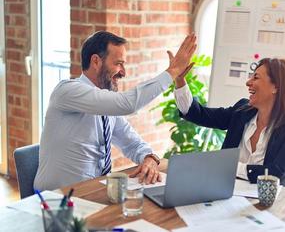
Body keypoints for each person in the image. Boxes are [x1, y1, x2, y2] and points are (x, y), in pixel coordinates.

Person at [34, 31, 196, 190]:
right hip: (56, 199)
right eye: (118, 63)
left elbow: (131, 142)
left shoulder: (105, 104)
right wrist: (173, 71)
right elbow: (127, 104)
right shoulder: (67, 91)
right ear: (96, 61)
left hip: (93, 191)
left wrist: (149, 157)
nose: (123, 72)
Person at [174, 58, 285, 188]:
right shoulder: (242, 111)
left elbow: (276, 174)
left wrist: (229, 166)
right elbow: (198, 114)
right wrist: (180, 80)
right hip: (225, 193)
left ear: (276, 87)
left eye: (256, 77)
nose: (248, 82)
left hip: (267, 204)